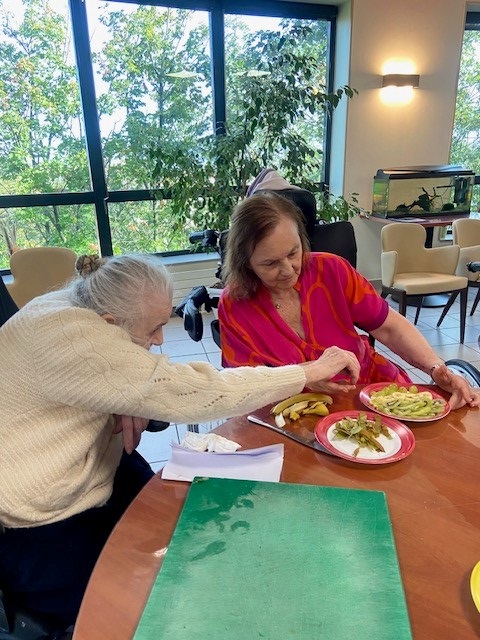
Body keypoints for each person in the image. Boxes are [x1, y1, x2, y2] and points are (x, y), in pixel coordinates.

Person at [0, 253, 360, 634]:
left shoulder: (76, 300)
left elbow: (92, 379)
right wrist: (308, 371)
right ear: (109, 324)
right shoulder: (80, 343)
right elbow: (200, 390)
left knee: (175, 523)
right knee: (120, 608)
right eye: (154, 329)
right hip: (40, 513)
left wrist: (121, 399)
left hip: (91, 465)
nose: (160, 340)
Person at [218, 191, 480, 408]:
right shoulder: (234, 305)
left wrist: (436, 368)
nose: (288, 270)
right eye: (270, 263)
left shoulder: (331, 270)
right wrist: (303, 377)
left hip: (369, 387)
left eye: (293, 252)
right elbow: (244, 387)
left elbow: (389, 327)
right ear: (246, 263)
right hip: (294, 409)